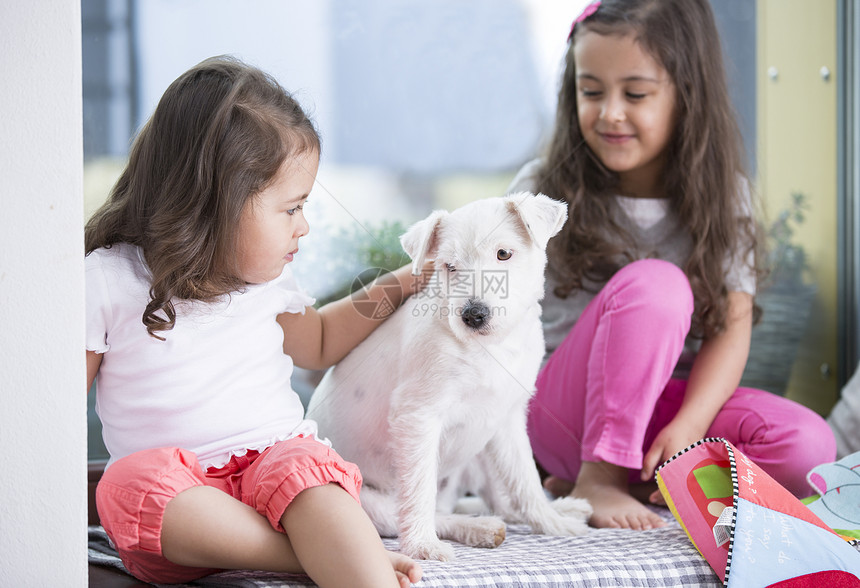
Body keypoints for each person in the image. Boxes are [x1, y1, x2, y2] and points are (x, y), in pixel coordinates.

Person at [85, 56, 423, 587]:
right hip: (181, 514)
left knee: (305, 470)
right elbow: (53, 421)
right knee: (124, 487)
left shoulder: (268, 280)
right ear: (216, 202)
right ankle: (304, 555)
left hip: (278, 480)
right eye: (291, 209)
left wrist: (405, 280)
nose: (304, 226)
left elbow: (319, 341)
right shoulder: (108, 279)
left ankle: (358, 573)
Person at [509, 0, 836, 531]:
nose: (610, 112)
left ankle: (643, 479)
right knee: (659, 285)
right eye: (591, 91)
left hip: (662, 419)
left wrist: (690, 426)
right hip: (564, 414)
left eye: (635, 94)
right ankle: (599, 477)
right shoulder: (539, 188)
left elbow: (731, 328)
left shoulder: (727, 196)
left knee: (810, 448)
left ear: (687, 93)